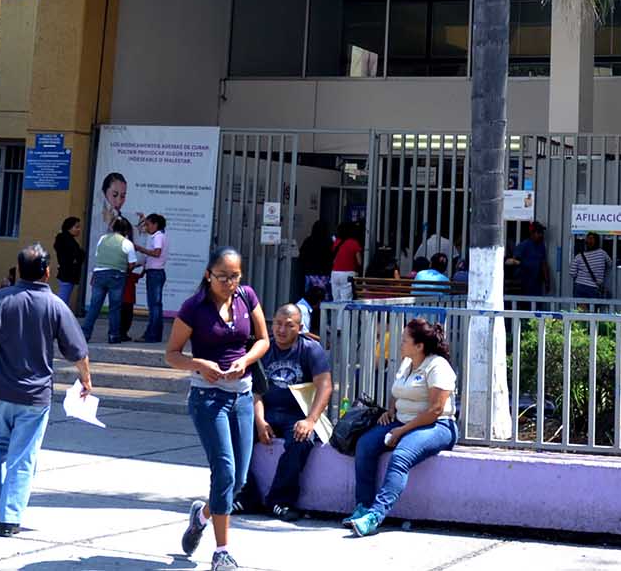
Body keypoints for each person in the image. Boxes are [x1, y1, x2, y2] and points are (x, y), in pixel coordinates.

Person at [0, 243, 92, 537]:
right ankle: (10, 518)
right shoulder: (55, 305)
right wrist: (86, 379)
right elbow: (77, 351)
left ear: (18, 269)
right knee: (22, 455)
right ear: (47, 272)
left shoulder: (1, 298)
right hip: (35, 396)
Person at [166, 244, 269, 571]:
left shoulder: (247, 297)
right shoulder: (194, 307)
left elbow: (263, 340)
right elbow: (172, 354)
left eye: (235, 276)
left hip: (242, 396)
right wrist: (199, 364)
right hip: (208, 398)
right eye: (222, 276)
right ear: (208, 275)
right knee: (224, 472)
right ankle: (222, 552)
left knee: (237, 481)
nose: (229, 283)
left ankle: (201, 515)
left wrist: (245, 360)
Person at [347, 318, 458, 537]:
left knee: (401, 456)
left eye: (405, 340)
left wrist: (401, 431)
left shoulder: (438, 366)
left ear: (419, 346)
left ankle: (374, 516)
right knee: (365, 445)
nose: (400, 343)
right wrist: (390, 411)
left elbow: (435, 410)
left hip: (437, 426)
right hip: (402, 421)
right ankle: (362, 507)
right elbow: (397, 391)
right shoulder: (407, 363)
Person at [250, 300, 331, 521]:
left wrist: (310, 420)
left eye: (289, 325)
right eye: (278, 324)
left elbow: (325, 386)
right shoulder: (263, 348)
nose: (281, 330)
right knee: (236, 432)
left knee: (301, 441)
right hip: (267, 412)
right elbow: (255, 391)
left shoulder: (310, 350)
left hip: (297, 415)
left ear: (300, 327)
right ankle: (247, 495)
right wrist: (259, 421)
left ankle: (280, 501)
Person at [80, 217, 138, 344]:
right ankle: (113, 335)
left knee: (94, 307)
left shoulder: (103, 238)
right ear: (126, 230)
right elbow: (132, 264)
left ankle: (85, 334)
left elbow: (98, 255)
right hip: (117, 275)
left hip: (99, 274)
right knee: (115, 308)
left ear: (113, 227)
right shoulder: (127, 243)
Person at [136, 213, 168, 342]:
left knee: (154, 306)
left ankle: (151, 335)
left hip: (155, 273)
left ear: (155, 225)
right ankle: (155, 334)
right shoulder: (159, 236)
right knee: (156, 305)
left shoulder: (158, 237)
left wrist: (140, 249)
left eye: (148, 224)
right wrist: (143, 270)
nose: (146, 227)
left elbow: (156, 253)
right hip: (154, 272)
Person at [505, 221, 549, 299]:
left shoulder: (541, 246)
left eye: (541, 233)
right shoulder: (524, 246)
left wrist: (547, 281)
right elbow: (514, 261)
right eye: (538, 233)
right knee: (526, 303)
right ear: (532, 233)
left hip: (536, 284)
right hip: (524, 283)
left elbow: (543, 263)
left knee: (537, 302)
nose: (541, 235)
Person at [298, 218, 332, 309]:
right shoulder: (329, 242)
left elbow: (302, 256)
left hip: (310, 273)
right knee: (323, 298)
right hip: (324, 274)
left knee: (309, 298)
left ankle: (309, 313)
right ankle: (323, 315)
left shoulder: (308, 241)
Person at [569, 231, 612, 302]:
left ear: (585, 243)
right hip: (594, 288)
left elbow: (572, 273)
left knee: (581, 308)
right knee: (593, 308)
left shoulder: (579, 256)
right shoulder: (602, 253)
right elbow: (610, 264)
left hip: (580, 286)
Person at [53, 218, 85, 309]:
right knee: (63, 300)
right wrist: (78, 256)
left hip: (67, 273)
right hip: (67, 274)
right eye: (76, 227)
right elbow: (75, 256)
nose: (79, 229)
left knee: (64, 298)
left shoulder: (67, 239)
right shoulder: (66, 240)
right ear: (69, 227)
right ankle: (57, 315)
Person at [330, 221, 363, 303]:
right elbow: (359, 262)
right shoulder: (354, 243)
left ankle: (336, 312)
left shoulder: (337, 242)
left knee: (336, 299)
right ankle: (342, 312)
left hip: (335, 273)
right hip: (348, 273)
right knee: (345, 300)